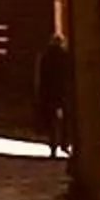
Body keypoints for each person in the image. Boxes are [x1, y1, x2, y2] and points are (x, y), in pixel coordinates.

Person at [35, 30, 74, 158]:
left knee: (52, 121)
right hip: (63, 92)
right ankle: (64, 143)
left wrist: (40, 93)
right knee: (66, 120)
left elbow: (42, 77)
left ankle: (53, 146)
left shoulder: (45, 56)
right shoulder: (65, 56)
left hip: (49, 92)